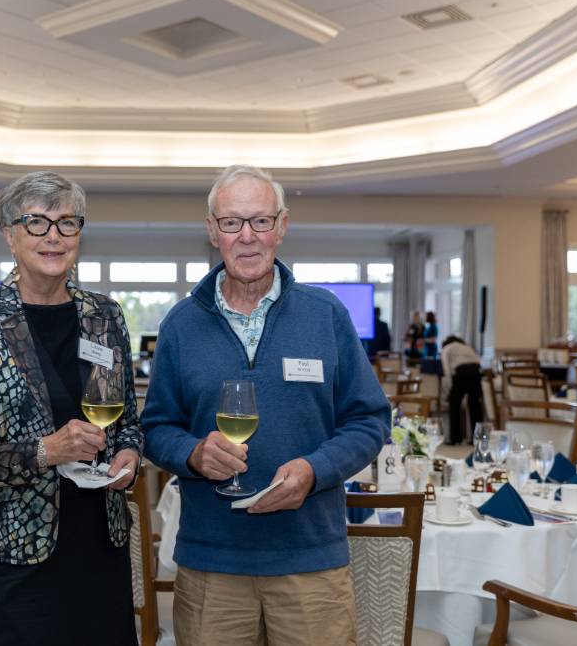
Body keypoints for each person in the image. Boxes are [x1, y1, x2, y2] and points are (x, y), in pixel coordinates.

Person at [141, 165, 390, 646]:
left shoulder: (326, 316)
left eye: (260, 221)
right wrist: (193, 455)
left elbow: (368, 419)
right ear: (213, 231)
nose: (247, 237)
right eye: (232, 222)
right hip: (212, 562)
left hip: (311, 561)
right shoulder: (180, 324)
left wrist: (315, 471)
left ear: (283, 226)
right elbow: (155, 427)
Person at [0, 171, 142, 646]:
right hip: (11, 553)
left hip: (99, 545)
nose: (53, 237)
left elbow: (125, 423)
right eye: (37, 223)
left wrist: (129, 456)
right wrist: (42, 451)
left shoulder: (104, 316)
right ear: (9, 234)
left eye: (66, 223)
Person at [441, 335, 483, 444]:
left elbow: (447, 370)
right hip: (476, 371)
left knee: (454, 405)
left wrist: (450, 389)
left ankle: (455, 438)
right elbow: (478, 361)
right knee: (475, 406)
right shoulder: (467, 347)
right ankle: (478, 439)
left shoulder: (447, 349)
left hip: (461, 371)